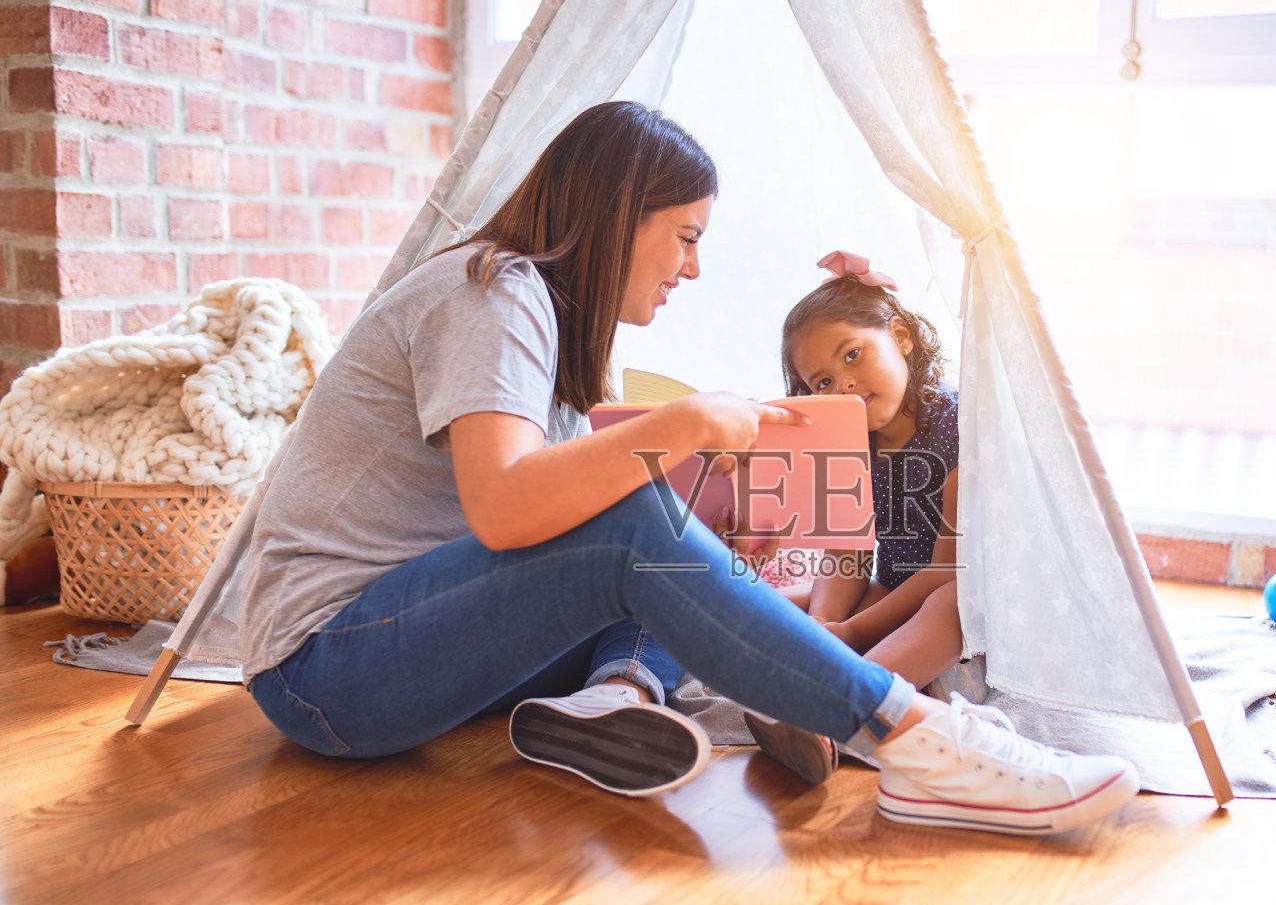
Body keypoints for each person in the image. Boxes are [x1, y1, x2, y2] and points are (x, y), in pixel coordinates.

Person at [237, 100, 1138, 836]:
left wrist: (707, 539)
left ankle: (616, 695)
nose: (694, 268)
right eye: (685, 235)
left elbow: (548, 528)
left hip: (410, 643)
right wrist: (685, 421)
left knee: (672, 530)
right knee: (644, 526)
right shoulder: (496, 290)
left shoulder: (544, 330)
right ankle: (920, 741)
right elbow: (507, 511)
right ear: (618, 214)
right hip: (328, 668)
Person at [741, 254, 966, 785]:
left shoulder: (956, 424)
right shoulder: (849, 445)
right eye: (821, 382)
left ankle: (840, 710)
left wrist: (851, 631)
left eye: (853, 355)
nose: (842, 385)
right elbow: (847, 553)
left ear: (902, 337)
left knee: (953, 604)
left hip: (952, 594)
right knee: (770, 607)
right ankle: (799, 676)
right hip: (890, 592)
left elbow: (945, 568)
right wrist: (824, 626)